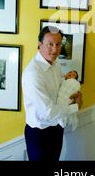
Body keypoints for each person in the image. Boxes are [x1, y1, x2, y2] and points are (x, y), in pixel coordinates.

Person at [22, 26, 83, 161]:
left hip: (56, 128)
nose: (55, 49)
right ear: (40, 44)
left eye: (58, 44)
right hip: (39, 134)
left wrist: (73, 91)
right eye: (50, 44)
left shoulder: (55, 64)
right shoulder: (33, 73)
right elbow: (47, 112)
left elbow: (59, 85)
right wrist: (75, 107)